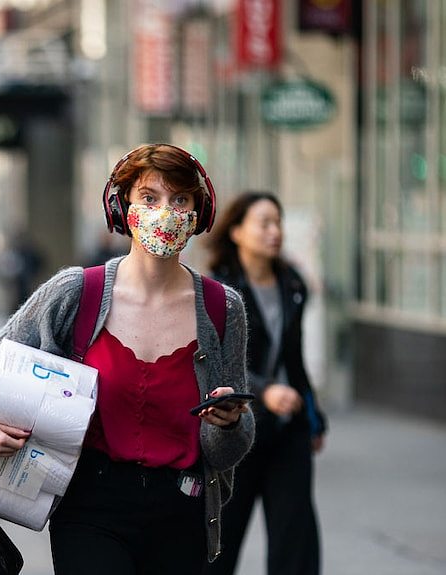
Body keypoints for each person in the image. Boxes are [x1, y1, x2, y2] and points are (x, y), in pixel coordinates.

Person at [0, 144, 256, 574]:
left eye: (180, 199)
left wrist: (228, 424)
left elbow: (228, 451)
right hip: (90, 506)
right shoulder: (77, 293)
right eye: (149, 198)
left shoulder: (224, 309)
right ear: (121, 208)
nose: (165, 212)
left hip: (183, 507)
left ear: (198, 214)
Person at [203, 192, 327, 575]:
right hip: (237, 427)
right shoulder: (217, 290)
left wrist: (314, 416)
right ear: (237, 231)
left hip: (287, 429)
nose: (275, 232)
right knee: (223, 538)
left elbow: (294, 357)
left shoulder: (292, 284)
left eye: (279, 222)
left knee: (296, 536)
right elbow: (218, 362)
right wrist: (263, 391)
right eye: (264, 223)